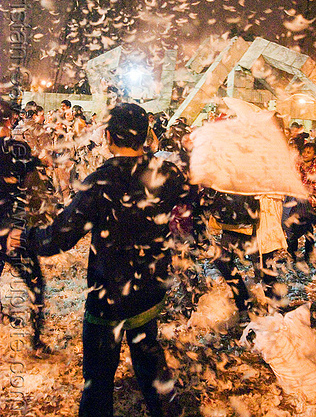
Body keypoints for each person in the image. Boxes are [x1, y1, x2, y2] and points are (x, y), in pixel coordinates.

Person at [8, 103, 191, 417]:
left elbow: (59, 238)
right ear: (145, 134)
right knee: (150, 368)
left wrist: (21, 237)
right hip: (149, 288)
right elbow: (186, 212)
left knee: (98, 382)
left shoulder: (102, 180)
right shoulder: (169, 173)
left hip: (108, 295)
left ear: (108, 136)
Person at [0, 99, 47, 351]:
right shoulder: (18, 149)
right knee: (35, 283)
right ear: (11, 120)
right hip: (11, 229)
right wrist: (19, 227)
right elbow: (27, 193)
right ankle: (36, 340)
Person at [283, 143, 316, 263]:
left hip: (308, 204)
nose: (305, 154)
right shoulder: (296, 166)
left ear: (314, 155)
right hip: (294, 202)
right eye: (304, 152)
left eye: (309, 152)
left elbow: (314, 188)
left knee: (308, 230)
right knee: (291, 228)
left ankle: (309, 254)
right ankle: (292, 253)